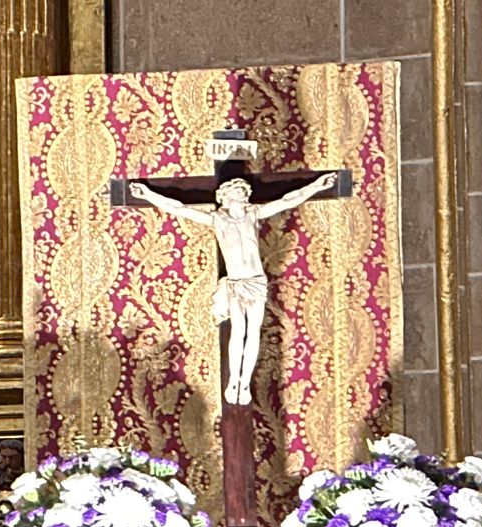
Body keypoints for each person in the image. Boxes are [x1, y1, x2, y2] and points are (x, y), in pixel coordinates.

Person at [130, 173, 339, 406]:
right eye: (237, 191)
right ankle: (234, 381)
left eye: (243, 192)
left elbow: (289, 200)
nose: (242, 194)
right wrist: (148, 195)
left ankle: (245, 381)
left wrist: (316, 186)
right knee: (239, 331)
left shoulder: (253, 214)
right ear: (225, 197)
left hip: (256, 282)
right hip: (237, 283)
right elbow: (178, 208)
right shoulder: (217, 219)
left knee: (254, 333)